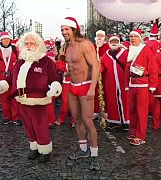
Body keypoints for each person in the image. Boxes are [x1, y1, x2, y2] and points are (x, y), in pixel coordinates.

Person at [9, 31, 62, 163]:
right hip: (22, 99)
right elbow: (11, 77)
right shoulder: (20, 61)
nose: (29, 45)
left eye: (32, 42)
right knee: (28, 126)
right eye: (26, 43)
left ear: (38, 44)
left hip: (39, 100)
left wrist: (55, 87)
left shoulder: (46, 62)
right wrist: (4, 83)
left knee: (40, 126)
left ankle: (45, 150)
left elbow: (55, 78)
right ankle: (34, 147)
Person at [61, 17, 101, 170]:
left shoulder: (85, 44)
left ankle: (95, 154)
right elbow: (72, 66)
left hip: (85, 86)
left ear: (74, 29)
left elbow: (96, 66)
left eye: (66, 29)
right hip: (72, 85)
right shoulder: (67, 47)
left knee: (88, 120)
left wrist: (92, 88)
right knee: (77, 119)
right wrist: (67, 74)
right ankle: (83, 150)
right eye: (62, 29)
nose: (64, 32)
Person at [125, 29, 158, 146]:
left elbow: (154, 68)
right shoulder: (129, 50)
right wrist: (126, 85)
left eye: (135, 36)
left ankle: (140, 136)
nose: (132, 38)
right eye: (131, 36)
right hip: (131, 84)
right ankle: (133, 131)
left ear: (140, 38)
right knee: (132, 110)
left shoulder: (146, 50)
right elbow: (126, 70)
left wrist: (153, 85)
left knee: (141, 111)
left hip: (143, 84)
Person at [100, 34, 130, 131]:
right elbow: (102, 67)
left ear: (119, 42)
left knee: (125, 101)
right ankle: (114, 121)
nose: (114, 43)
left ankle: (125, 121)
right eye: (112, 41)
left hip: (123, 82)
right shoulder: (105, 55)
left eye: (116, 41)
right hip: (110, 82)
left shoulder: (125, 53)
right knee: (112, 101)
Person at [0, 32, 21, 126]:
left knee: (14, 97)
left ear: (10, 40)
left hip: (13, 76)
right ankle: (6, 117)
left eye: (7, 39)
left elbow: (19, 62)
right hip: (2, 77)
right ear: (1, 40)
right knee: (4, 98)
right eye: (4, 39)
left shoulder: (15, 49)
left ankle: (16, 117)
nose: (6, 41)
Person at [93, 30, 110, 120]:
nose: (99, 37)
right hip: (94, 72)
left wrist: (102, 60)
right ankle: (95, 111)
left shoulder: (107, 46)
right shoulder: (93, 46)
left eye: (101, 36)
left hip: (105, 73)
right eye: (98, 35)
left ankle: (105, 111)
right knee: (95, 92)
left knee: (105, 92)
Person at [146, 21, 160, 117]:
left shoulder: (145, 44)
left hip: (146, 69)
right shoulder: (158, 44)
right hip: (156, 69)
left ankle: (148, 110)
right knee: (154, 91)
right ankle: (152, 110)